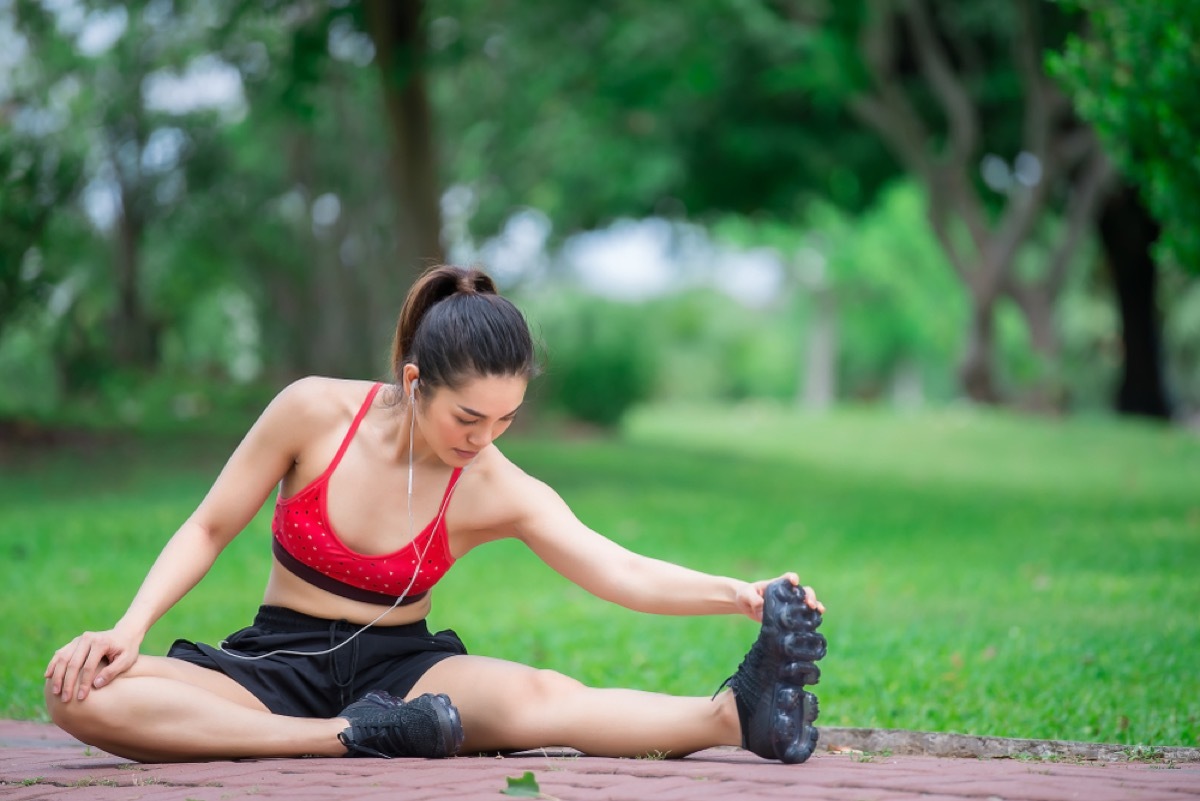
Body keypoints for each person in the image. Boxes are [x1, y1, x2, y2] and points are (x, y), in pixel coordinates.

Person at [44, 265, 827, 765]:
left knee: (542, 699)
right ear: (416, 380)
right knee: (76, 692)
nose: (483, 439)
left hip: (407, 672)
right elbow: (208, 526)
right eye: (467, 418)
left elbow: (617, 567)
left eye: (506, 419)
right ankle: (348, 736)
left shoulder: (492, 483)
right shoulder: (312, 412)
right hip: (270, 668)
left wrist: (739, 593)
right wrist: (129, 625)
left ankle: (733, 715)